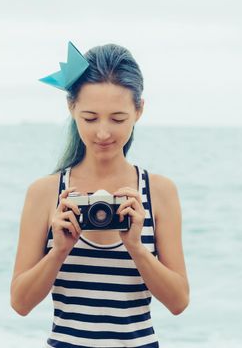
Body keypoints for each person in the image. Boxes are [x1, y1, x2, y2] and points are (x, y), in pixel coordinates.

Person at [10, 41, 190, 348]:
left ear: (139, 110)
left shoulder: (159, 191)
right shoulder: (46, 192)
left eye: (118, 119)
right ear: (71, 108)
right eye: (90, 118)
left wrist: (136, 247)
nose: (103, 133)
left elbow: (178, 301)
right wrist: (58, 251)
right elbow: (21, 303)